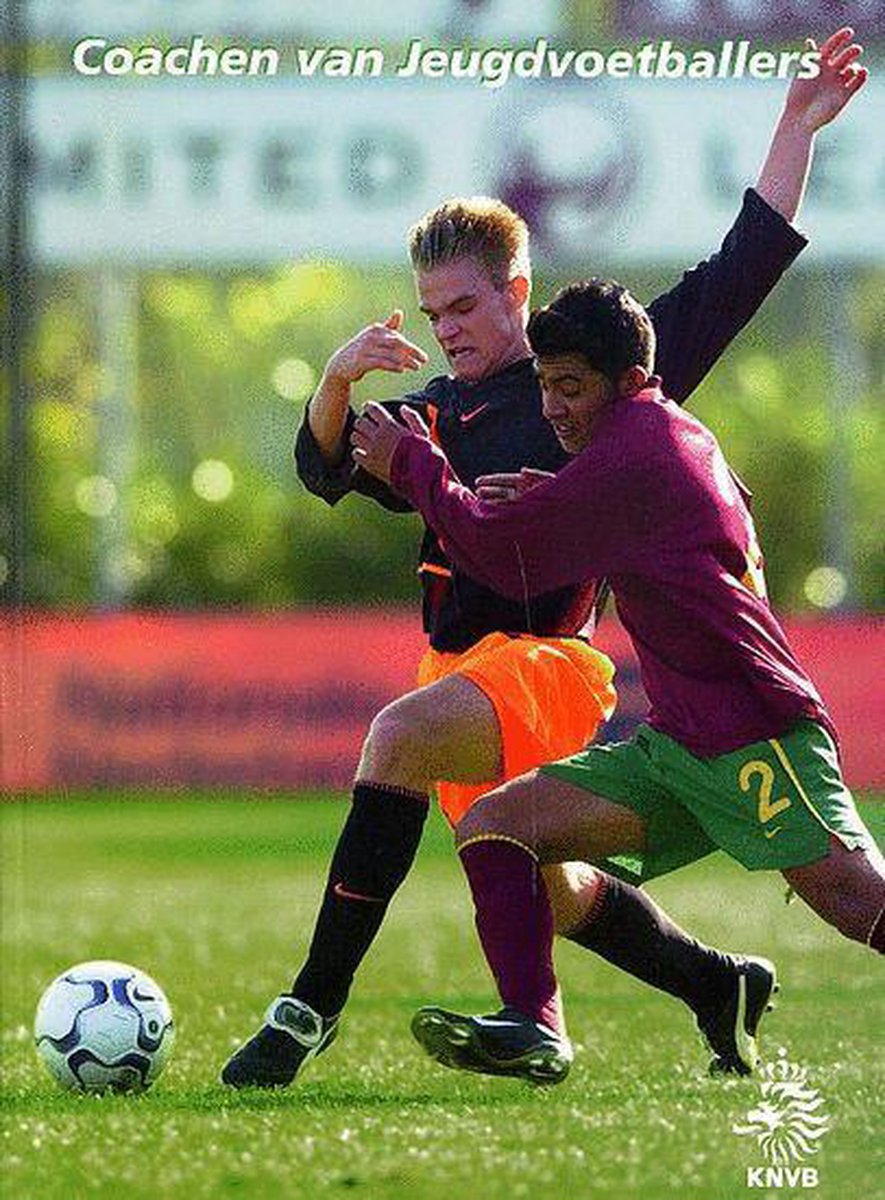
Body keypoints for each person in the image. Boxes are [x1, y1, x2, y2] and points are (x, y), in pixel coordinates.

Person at [221, 30, 867, 1088]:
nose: (450, 330)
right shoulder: (436, 408)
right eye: (434, 315)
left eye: (466, 307)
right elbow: (322, 466)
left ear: (517, 290)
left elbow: (739, 267)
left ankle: (309, 1011)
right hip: (462, 674)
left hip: (544, 664)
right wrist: (336, 382)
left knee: (394, 742)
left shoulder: (602, 381)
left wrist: (793, 127)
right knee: (546, 881)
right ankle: (717, 983)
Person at [350, 275, 885, 1086]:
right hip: (675, 744)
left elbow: (494, 550)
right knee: (496, 825)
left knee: (860, 906)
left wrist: (416, 464)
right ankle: (533, 1026)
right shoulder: (654, 435)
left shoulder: (634, 451)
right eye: (545, 386)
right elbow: (678, 522)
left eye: (571, 388)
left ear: (628, 380)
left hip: (754, 736)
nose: (553, 408)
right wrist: (563, 500)